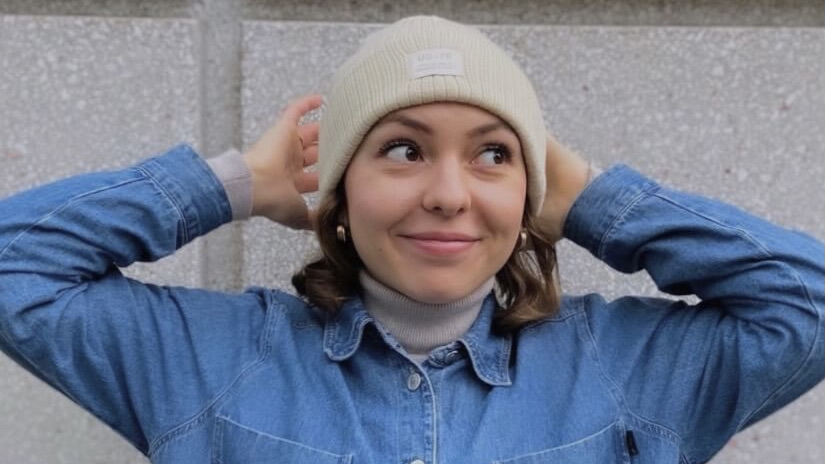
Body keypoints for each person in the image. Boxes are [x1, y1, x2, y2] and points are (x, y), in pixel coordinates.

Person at [0, 15, 822, 464]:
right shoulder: (207, 360)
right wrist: (234, 184)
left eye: (493, 155)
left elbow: (808, 304)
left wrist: (595, 204)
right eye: (403, 148)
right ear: (341, 189)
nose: (448, 193)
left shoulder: (629, 373)